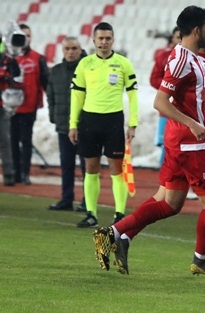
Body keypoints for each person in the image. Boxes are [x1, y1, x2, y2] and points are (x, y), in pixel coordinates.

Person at [92, 6, 205, 287]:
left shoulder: (197, 59)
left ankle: (114, 233)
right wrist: (194, 124)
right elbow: (161, 102)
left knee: (170, 203)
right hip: (189, 145)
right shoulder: (181, 60)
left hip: (186, 142)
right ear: (196, 31)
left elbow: (191, 104)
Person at [70, 22, 137, 227]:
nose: (104, 42)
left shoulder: (123, 63)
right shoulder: (85, 64)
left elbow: (133, 95)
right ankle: (91, 213)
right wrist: (73, 123)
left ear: (113, 40)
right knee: (91, 169)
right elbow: (77, 95)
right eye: (101, 38)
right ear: (94, 40)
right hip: (90, 120)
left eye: (108, 38)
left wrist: (133, 123)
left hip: (113, 120)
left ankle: (119, 214)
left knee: (116, 169)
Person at [46, 36, 86, 211]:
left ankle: (88, 201)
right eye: (67, 49)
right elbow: (50, 96)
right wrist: (53, 116)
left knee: (88, 167)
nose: (70, 52)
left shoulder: (88, 68)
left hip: (85, 126)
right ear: (62, 51)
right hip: (63, 125)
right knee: (66, 165)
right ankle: (66, 199)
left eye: (74, 49)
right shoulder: (55, 71)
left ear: (80, 49)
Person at [10, 23, 48, 185]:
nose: (26, 38)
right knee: (12, 140)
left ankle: (25, 173)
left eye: (29, 35)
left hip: (30, 107)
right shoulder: (8, 58)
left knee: (26, 141)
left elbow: (45, 83)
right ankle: (15, 172)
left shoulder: (38, 58)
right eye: (23, 35)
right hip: (9, 108)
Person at [149, 26, 180, 167]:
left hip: (186, 109)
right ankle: (166, 176)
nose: (180, 40)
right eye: (177, 37)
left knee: (183, 144)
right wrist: (170, 87)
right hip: (166, 107)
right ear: (172, 39)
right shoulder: (163, 57)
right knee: (166, 144)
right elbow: (154, 78)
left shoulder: (196, 59)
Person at [0, 36, 22, 187]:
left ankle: (9, 174)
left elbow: (16, 75)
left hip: (1, 106)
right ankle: (9, 174)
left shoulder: (7, 61)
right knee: (5, 141)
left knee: (5, 140)